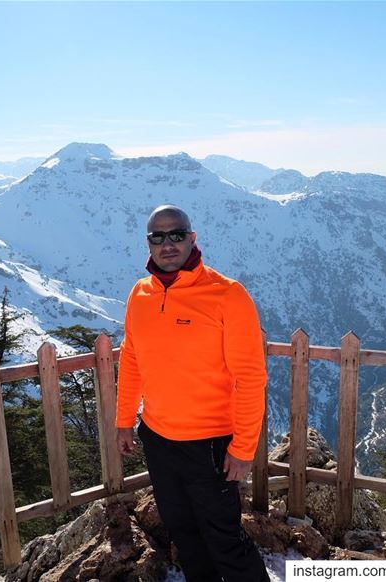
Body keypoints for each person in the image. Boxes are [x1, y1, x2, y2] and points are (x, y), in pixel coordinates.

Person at [116, 204, 270, 582]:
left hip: (210, 444)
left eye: (176, 234)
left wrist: (244, 448)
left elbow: (251, 377)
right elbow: (132, 359)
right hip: (157, 437)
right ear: (148, 243)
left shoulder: (228, 295)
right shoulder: (141, 294)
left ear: (192, 238)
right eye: (158, 236)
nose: (167, 244)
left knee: (225, 541)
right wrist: (124, 422)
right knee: (183, 532)